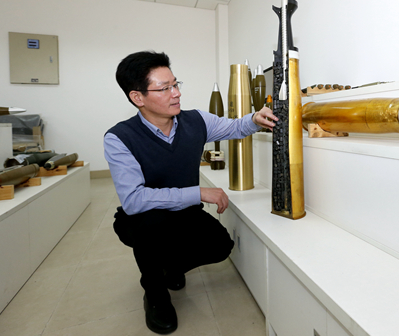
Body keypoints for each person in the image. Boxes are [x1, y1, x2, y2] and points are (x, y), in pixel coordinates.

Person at [104, 51, 276, 334]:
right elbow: (134, 200)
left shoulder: (196, 121)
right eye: (164, 88)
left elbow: (234, 127)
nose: (176, 93)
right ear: (137, 97)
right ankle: (154, 292)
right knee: (150, 229)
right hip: (143, 218)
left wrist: (255, 118)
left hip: (184, 212)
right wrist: (198, 193)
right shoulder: (119, 138)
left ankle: (169, 267)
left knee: (220, 246)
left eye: (176, 84)